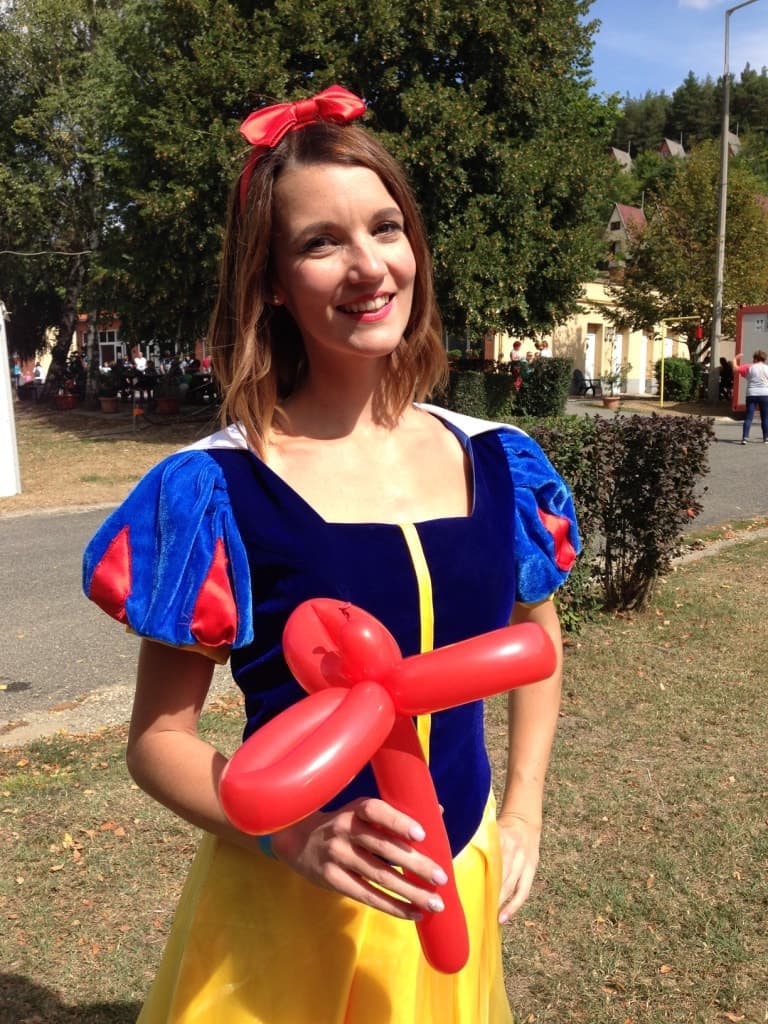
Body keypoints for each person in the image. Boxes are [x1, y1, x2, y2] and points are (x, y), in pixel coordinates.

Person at [82, 85, 580, 1023]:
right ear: (273, 280)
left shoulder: (499, 460)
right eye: (321, 242)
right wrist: (296, 838)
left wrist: (522, 810)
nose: (368, 266)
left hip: (454, 890)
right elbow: (156, 742)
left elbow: (538, 643)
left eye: (386, 228)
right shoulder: (217, 488)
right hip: (285, 917)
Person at [732, 349, 768, 444]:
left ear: (755, 359)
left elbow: (735, 369)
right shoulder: (767, 368)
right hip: (765, 394)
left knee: (748, 417)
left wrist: (735, 359)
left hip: (751, 394)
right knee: (765, 417)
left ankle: (745, 438)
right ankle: (766, 438)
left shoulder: (749, 367)